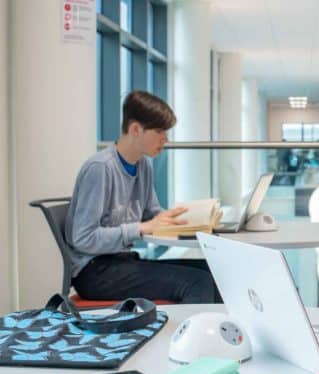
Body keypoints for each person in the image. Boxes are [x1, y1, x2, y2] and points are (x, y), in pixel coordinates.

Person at [66, 90, 221, 304]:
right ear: (136, 129)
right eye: (159, 131)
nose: (165, 139)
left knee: (215, 272)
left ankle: (220, 333)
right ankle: (187, 337)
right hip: (94, 273)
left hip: (122, 262)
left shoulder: (143, 165)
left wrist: (184, 219)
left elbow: (152, 214)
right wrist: (139, 228)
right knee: (196, 282)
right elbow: (83, 239)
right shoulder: (100, 168)